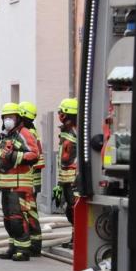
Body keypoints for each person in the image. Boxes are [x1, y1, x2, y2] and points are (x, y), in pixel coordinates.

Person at [0, 102, 40, 262]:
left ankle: (23, 249)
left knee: (17, 219)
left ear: (18, 118)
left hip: (20, 184)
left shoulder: (24, 133)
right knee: (8, 220)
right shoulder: (5, 136)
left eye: (11, 117)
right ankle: (13, 246)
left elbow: (35, 154)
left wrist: (15, 156)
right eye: (5, 117)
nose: (8, 120)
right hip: (7, 185)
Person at [19, 101, 44, 256]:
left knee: (30, 212)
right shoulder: (32, 132)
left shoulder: (28, 134)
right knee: (29, 212)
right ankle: (32, 242)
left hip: (30, 179)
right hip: (33, 179)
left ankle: (34, 244)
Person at [55, 98, 78, 248]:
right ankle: (74, 238)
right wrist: (59, 184)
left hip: (74, 180)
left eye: (61, 113)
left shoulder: (75, 132)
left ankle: (77, 239)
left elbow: (70, 158)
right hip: (66, 180)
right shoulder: (66, 132)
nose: (59, 115)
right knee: (70, 211)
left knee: (75, 211)